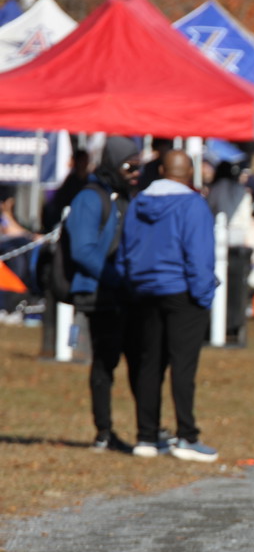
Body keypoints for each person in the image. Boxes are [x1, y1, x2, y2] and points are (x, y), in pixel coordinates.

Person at [116, 150, 218, 462]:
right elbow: (199, 255)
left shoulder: (138, 202)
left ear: (161, 170)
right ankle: (187, 436)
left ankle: (147, 436)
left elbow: (125, 250)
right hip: (182, 291)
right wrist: (204, 296)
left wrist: (131, 284)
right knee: (183, 366)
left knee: (149, 364)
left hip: (144, 290)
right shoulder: (193, 205)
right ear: (190, 173)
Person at [65, 136, 142, 453]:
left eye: (138, 167)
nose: (136, 173)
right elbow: (82, 250)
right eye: (129, 167)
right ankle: (104, 432)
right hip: (100, 294)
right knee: (104, 363)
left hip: (129, 294)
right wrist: (117, 278)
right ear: (112, 164)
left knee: (141, 360)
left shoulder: (127, 196)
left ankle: (149, 431)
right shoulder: (90, 197)